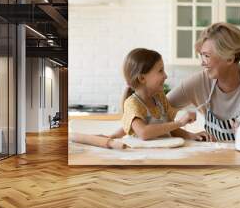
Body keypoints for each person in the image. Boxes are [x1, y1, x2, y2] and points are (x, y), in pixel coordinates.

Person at [71, 48, 207, 148]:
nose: (165, 76)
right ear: (142, 78)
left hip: (165, 151)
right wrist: (179, 122)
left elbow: (168, 127)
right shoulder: (132, 104)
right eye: (160, 71)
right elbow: (144, 133)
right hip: (140, 155)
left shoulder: (160, 98)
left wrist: (191, 136)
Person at [167, 22, 240, 142]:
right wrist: (186, 134)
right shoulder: (198, 82)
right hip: (215, 158)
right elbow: (156, 112)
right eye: (202, 56)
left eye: (207, 56)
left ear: (229, 58)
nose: (202, 63)